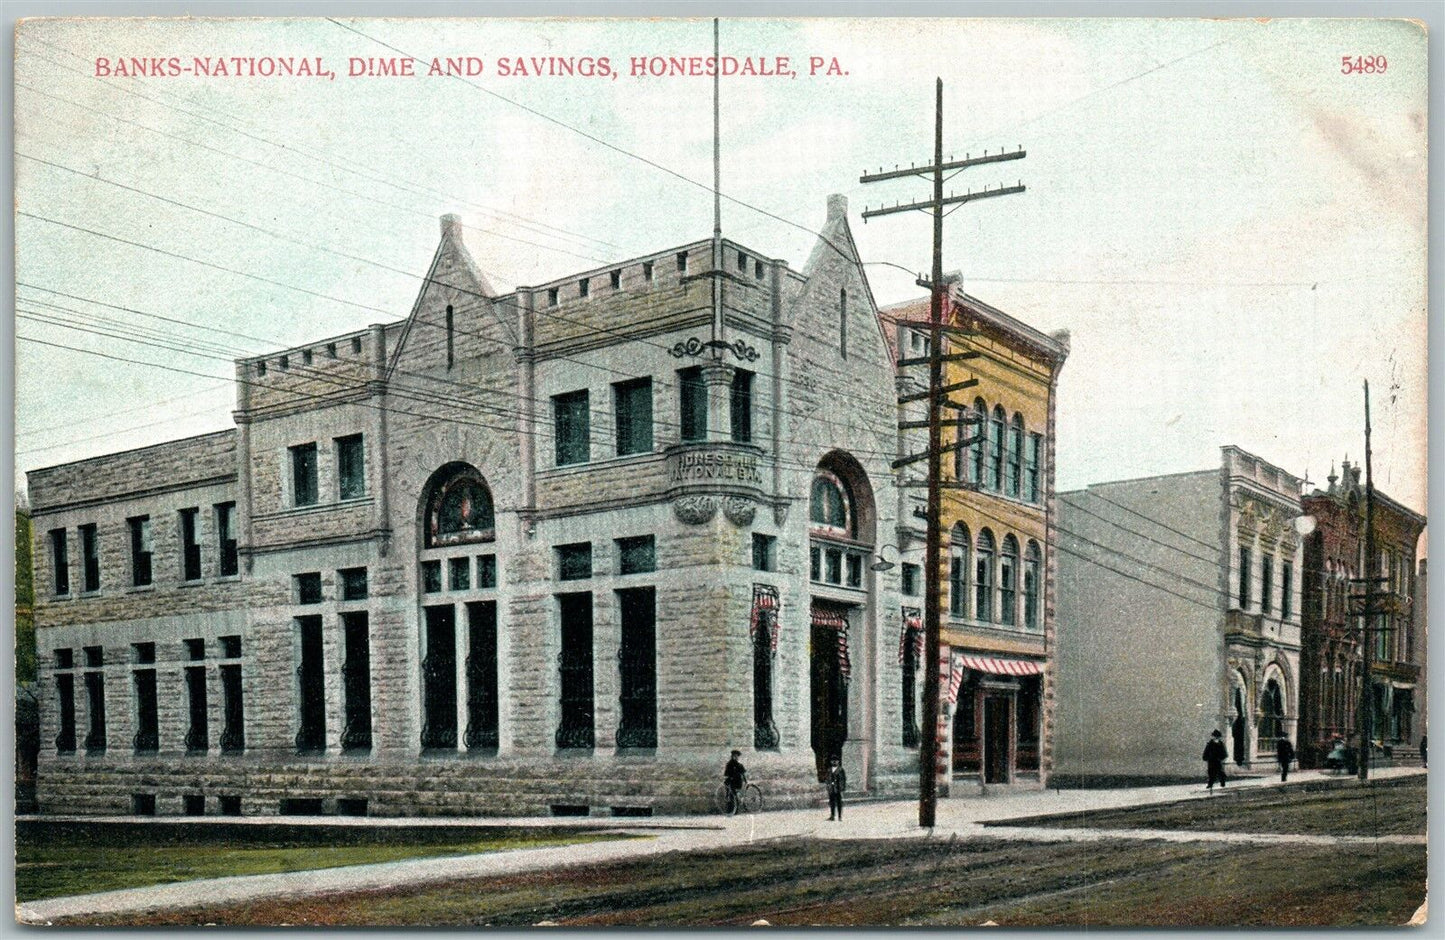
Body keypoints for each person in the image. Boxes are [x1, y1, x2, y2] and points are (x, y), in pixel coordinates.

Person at [723, 749, 746, 814]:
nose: (736, 757)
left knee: (735, 795)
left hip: (737, 782)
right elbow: (726, 774)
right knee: (731, 795)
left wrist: (745, 780)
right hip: (731, 782)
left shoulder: (739, 765)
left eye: (737, 756)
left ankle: (735, 809)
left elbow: (743, 773)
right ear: (732, 756)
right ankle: (731, 810)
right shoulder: (729, 764)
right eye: (735, 756)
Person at [825, 756, 846, 821]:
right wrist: (828, 786)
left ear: (838, 761)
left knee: (839, 802)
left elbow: (843, 779)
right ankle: (832, 816)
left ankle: (840, 816)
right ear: (831, 762)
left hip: (838, 789)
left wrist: (842, 788)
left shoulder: (840, 770)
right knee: (832, 802)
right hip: (831, 789)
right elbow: (827, 779)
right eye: (833, 761)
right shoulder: (829, 770)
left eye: (836, 761)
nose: (834, 762)